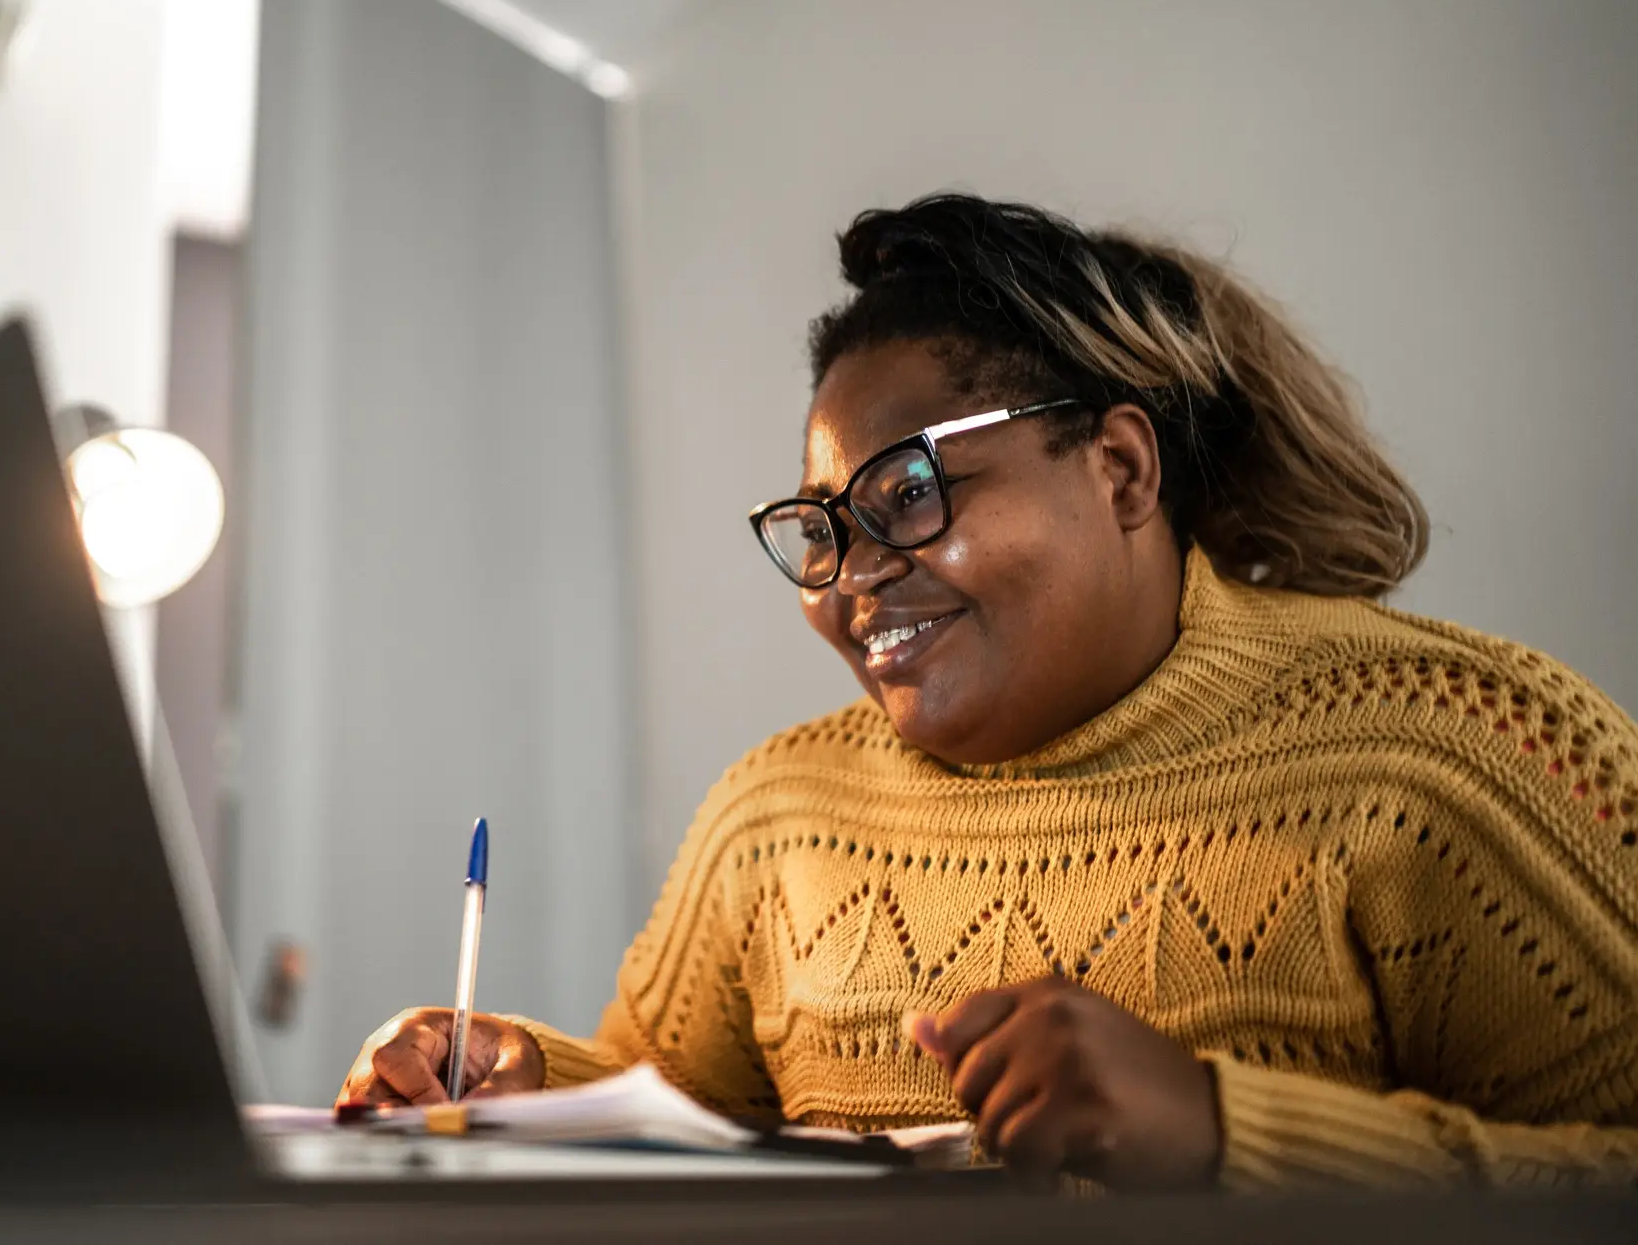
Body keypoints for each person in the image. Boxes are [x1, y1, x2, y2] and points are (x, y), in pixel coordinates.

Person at [337, 193, 1638, 1190]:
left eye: (909, 491)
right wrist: (502, 1084)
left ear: (1122, 469)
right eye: (821, 525)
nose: (851, 579)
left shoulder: (1452, 754)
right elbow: (667, 1117)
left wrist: (1222, 1129)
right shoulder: (777, 814)